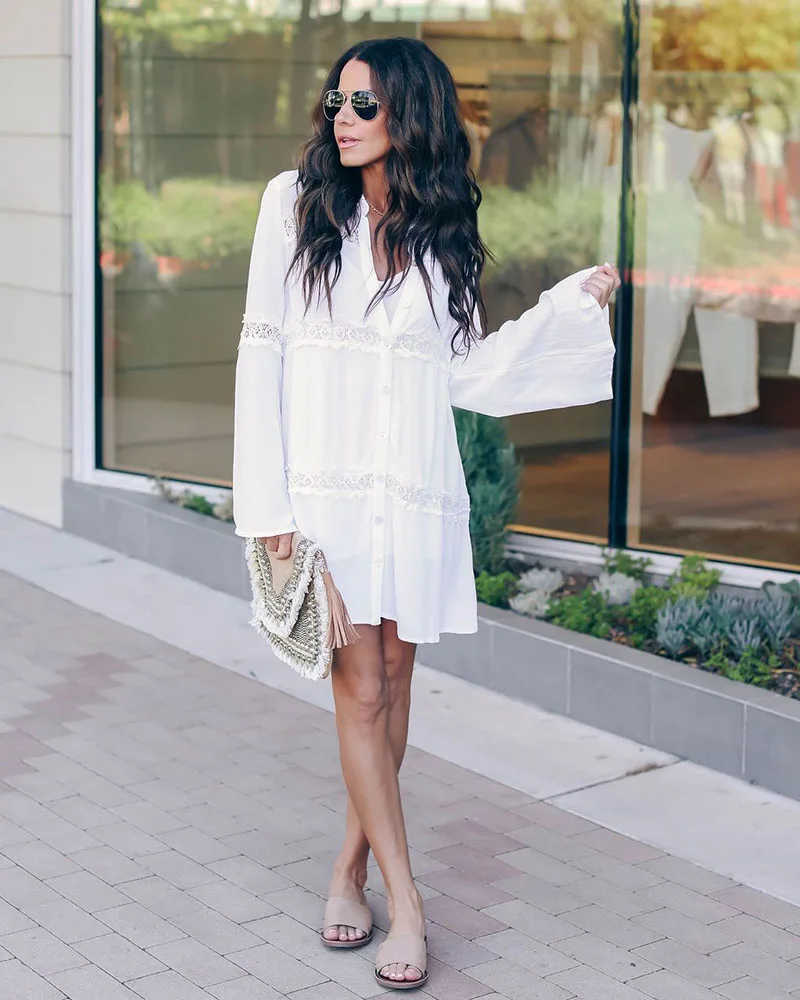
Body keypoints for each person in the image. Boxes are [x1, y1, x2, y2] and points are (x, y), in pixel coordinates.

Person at [232, 36, 618, 992]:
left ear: (412, 115)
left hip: (409, 491)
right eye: (337, 101)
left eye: (365, 104)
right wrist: (270, 514)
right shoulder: (292, 205)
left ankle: (348, 869)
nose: (344, 118)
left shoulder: (439, 227)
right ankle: (408, 903)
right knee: (361, 691)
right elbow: (259, 353)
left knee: (394, 684)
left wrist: (569, 309)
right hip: (324, 499)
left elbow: (467, 371)